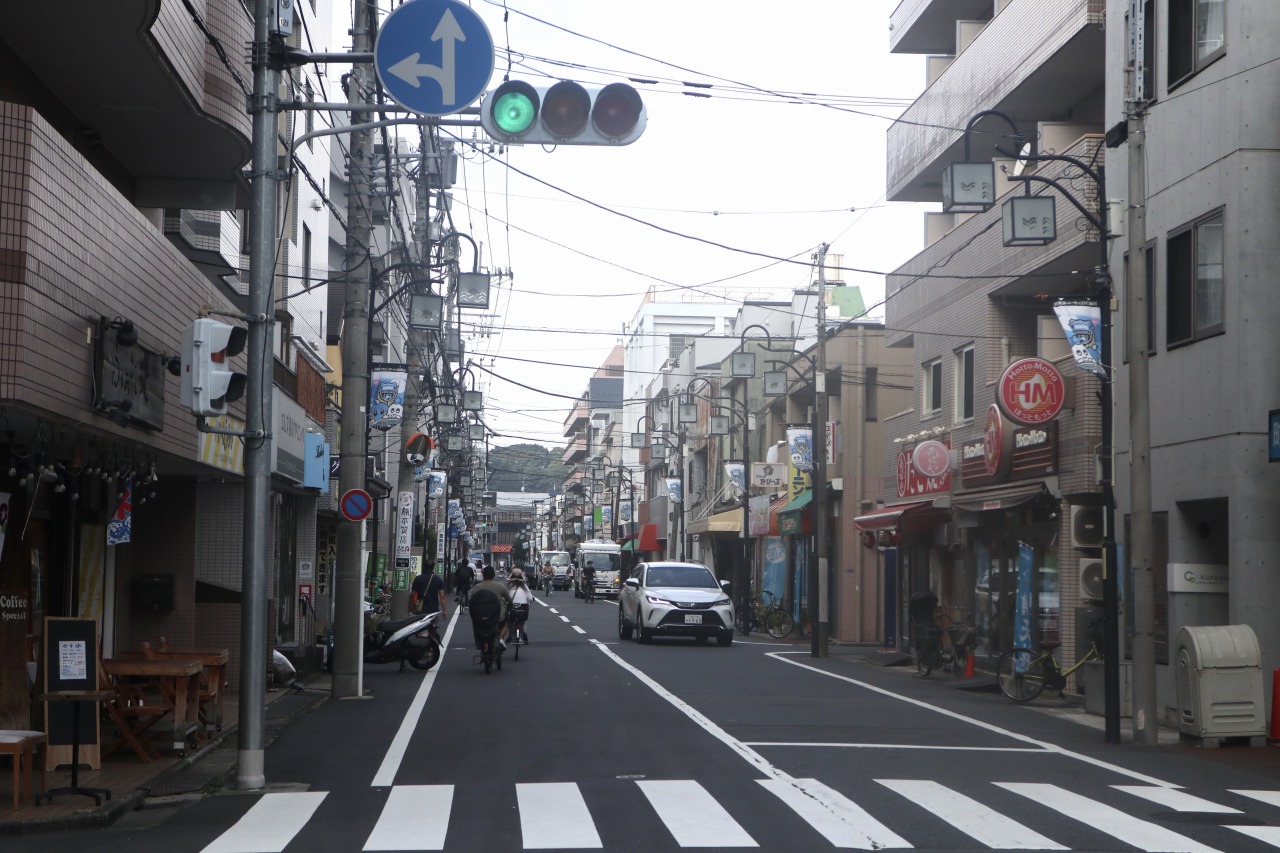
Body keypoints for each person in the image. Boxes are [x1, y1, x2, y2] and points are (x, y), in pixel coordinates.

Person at [470, 564, 513, 649]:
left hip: (480, 617)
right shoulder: (500, 586)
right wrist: (509, 605)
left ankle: (481, 645)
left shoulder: (477, 587)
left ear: (483, 575)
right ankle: (500, 638)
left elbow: (471, 601)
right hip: (497, 617)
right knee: (507, 622)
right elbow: (509, 599)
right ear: (493, 575)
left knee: (476, 626)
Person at [506, 568, 533, 644]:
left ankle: (510, 636)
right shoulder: (524, 587)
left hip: (512, 608)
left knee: (510, 622)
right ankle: (525, 636)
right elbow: (530, 598)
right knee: (523, 622)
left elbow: (505, 598)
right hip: (523, 608)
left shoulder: (509, 587)